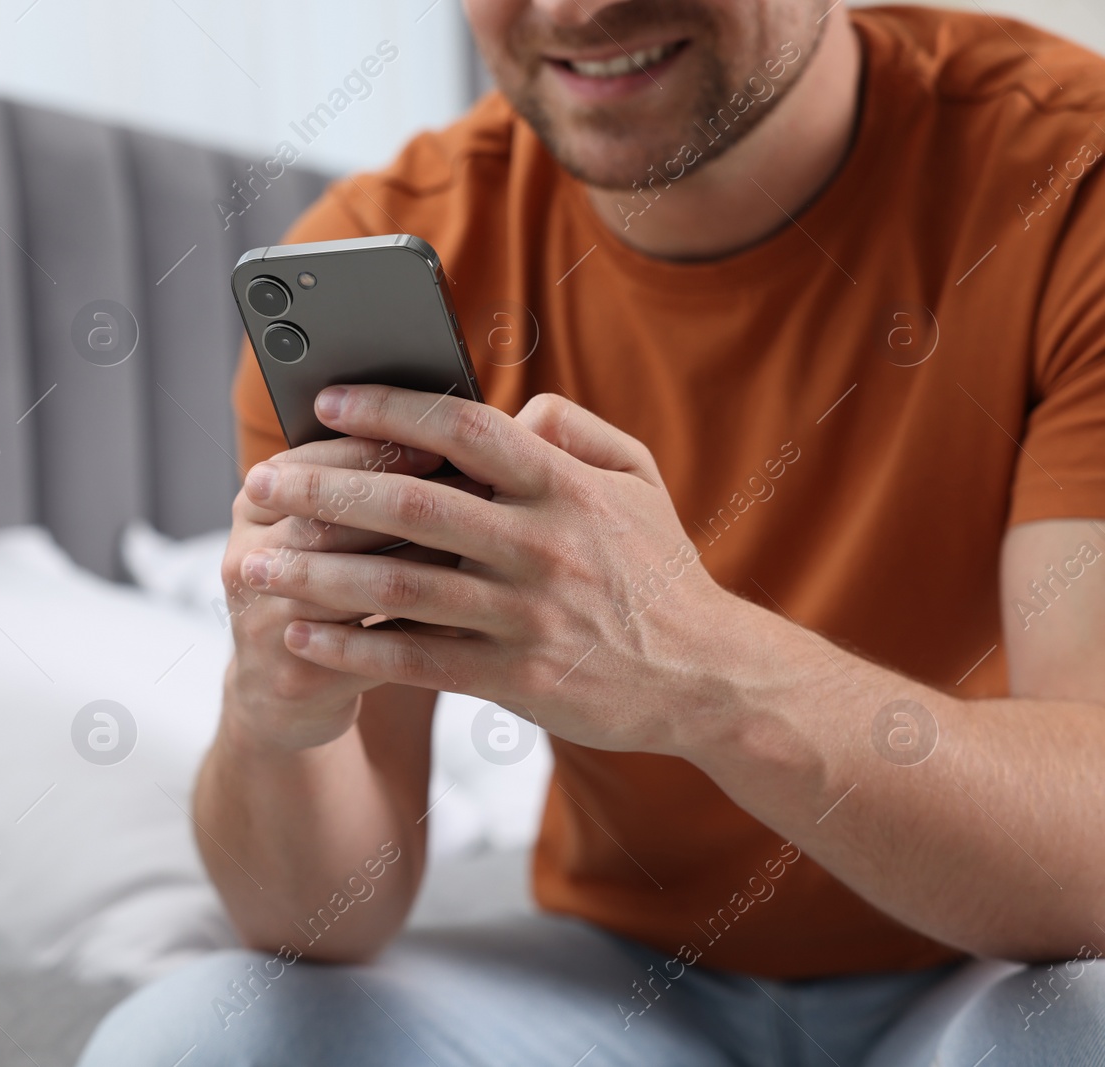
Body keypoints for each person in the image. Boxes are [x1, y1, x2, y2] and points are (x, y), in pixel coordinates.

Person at [81, 0, 1105, 1062]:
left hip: (997, 968)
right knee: (197, 1036)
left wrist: (695, 664)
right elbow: (322, 920)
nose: (572, 11)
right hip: (634, 984)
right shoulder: (388, 245)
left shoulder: (1068, 176)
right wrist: (273, 718)